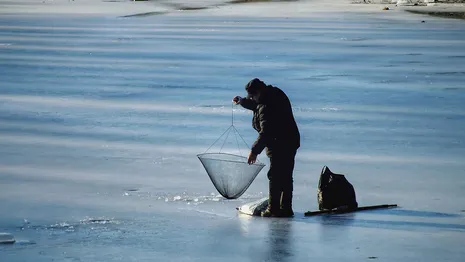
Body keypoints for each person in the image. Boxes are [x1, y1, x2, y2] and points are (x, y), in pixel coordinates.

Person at [233, 78, 300, 217]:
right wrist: (242, 101)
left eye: (252, 96)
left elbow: (266, 132)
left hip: (282, 142)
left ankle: (275, 209)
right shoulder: (270, 95)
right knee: (284, 175)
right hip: (287, 140)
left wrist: (254, 151)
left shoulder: (266, 105)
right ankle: (285, 208)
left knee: (277, 176)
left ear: (258, 91)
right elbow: (255, 104)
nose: (251, 98)